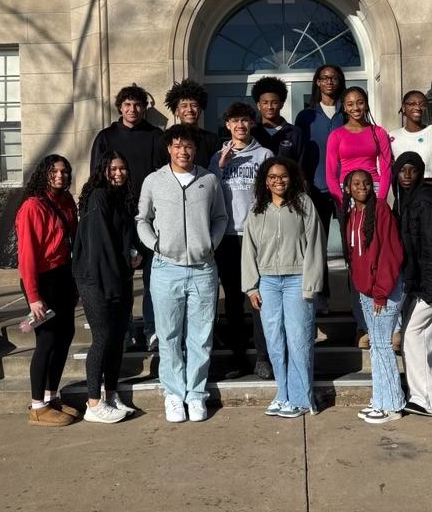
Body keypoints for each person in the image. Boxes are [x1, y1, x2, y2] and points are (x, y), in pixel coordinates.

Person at [137, 124, 228, 423]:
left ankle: (196, 394)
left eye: (188, 146)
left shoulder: (209, 180)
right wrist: (156, 245)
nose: (183, 151)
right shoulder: (154, 181)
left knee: (201, 336)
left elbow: (220, 217)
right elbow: (142, 219)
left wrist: (210, 245)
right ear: (169, 148)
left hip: (202, 269)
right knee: (169, 335)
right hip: (166, 269)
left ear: (195, 149)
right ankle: (174, 395)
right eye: (177, 145)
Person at [242, 157, 326, 418]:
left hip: (297, 280)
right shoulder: (257, 209)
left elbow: (316, 244)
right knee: (275, 341)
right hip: (267, 282)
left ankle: (301, 399)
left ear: (292, 178)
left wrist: (311, 284)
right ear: (265, 182)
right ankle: (283, 394)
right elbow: (248, 248)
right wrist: (250, 286)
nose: (279, 180)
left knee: (299, 339)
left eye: (283, 176)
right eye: (273, 177)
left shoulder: (303, 204)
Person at [90, 83, 168, 352]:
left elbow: (164, 174)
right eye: (127, 105)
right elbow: (96, 177)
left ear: (145, 108)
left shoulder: (156, 136)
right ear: (119, 108)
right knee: (121, 279)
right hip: (117, 217)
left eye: (137, 105)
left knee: (152, 277)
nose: (132, 109)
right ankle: (122, 333)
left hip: (150, 216)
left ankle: (152, 329)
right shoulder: (105, 137)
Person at [72, 152, 143, 424]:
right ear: (102, 170)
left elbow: (125, 237)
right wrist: (113, 283)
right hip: (96, 279)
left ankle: (111, 396)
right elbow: (99, 246)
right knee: (102, 338)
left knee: (115, 340)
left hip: (120, 276)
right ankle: (93, 404)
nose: (118, 172)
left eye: (123, 167)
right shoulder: (99, 197)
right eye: (113, 168)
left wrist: (136, 253)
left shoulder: (122, 198)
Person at [209, 102, 273, 379]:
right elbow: (208, 192)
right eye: (234, 121)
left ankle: (263, 358)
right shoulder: (217, 156)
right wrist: (220, 167)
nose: (240, 125)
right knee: (233, 300)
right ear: (227, 125)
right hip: (228, 237)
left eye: (245, 120)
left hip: (256, 235)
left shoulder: (265, 154)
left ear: (252, 123)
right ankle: (237, 358)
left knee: (259, 297)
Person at [325, 86, 392, 346]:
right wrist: (344, 202)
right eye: (350, 103)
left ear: (366, 104)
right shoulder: (336, 135)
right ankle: (362, 325)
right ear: (344, 107)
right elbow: (331, 174)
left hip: (374, 193)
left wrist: (381, 199)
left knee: (380, 254)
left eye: (360, 102)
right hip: (348, 196)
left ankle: (387, 321)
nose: (355, 108)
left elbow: (386, 167)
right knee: (356, 259)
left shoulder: (378, 133)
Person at [15, 155, 79, 426]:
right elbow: (27, 254)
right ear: (44, 174)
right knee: (47, 341)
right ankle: (37, 405)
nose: (61, 176)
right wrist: (33, 297)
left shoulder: (66, 202)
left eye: (65, 171)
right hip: (43, 280)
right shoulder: (33, 206)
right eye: (54, 171)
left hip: (64, 276)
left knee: (65, 336)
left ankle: (52, 396)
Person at [392, 152, 432, 417]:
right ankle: (430, 398)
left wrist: (430, 287)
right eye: (402, 170)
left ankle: (426, 399)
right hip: (425, 282)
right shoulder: (407, 200)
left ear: (420, 174)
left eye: (413, 170)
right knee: (426, 338)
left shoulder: (425, 200)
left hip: (431, 283)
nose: (407, 175)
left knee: (412, 337)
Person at [340, 169, 404, 425]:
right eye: (356, 183)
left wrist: (380, 292)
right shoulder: (351, 213)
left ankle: (392, 405)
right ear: (347, 188)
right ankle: (380, 398)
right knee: (376, 347)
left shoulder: (380, 209)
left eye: (366, 182)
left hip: (384, 291)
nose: (362, 186)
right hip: (366, 290)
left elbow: (390, 252)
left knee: (382, 346)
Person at [295, 64, 346, 313]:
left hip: (347, 189)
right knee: (317, 246)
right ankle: (322, 295)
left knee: (353, 245)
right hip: (316, 188)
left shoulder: (348, 112)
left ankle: (358, 298)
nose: (329, 82)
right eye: (324, 78)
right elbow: (301, 153)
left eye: (334, 78)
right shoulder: (306, 117)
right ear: (317, 82)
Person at [389, 91, 432, 179]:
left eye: (423, 104)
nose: (418, 107)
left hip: (431, 186)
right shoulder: (393, 137)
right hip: (404, 189)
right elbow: (389, 168)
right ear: (403, 107)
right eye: (412, 104)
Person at [164, 78, 221, 168]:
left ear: (200, 109)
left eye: (194, 105)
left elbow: (217, 169)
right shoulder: (165, 138)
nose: (189, 110)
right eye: (184, 106)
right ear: (176, 111)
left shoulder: (213, 140)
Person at [250, 76, 304, 163]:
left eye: (274, 102)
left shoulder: (295, 133)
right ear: (258, 105)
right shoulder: (251, 133)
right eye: (265, 102)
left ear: (281, 104)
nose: (270, 107)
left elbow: (301, 167)